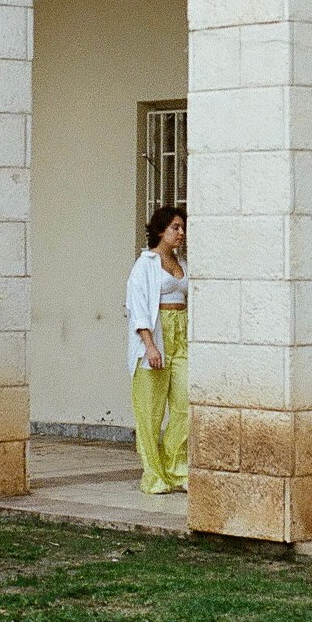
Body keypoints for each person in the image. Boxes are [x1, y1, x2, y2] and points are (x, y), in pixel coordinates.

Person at [125, 205, 188, 496]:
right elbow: (137, 307)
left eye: (182, 227)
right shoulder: (145, 265)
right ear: (161, 230)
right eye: (175, 227)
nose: (181, 233)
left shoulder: (184, 263)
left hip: (182, 334)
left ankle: (176, 466)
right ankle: (153, 474)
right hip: (156, 335)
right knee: (150, 411)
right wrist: (149, 345)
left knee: (186, 404)